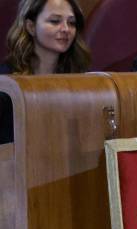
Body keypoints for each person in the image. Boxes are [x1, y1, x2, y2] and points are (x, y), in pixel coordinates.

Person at [0, 0, 90, 144]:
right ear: (31, 27)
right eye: (55, 21)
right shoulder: (5, 82)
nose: (66, 29)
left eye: (72, 23)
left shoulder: (81, 76)